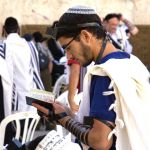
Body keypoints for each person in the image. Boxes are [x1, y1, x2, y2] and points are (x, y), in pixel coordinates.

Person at [32, 6, 150, 150]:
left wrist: (63, 119)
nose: (68, 56)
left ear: (86, 36)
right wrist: (65, 113)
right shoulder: (131, 61)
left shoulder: (105, 73)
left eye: (68, 48)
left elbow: (100, 142)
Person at [2, 17, 44, 112]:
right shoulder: (30, 46)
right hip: (31, 105)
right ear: (18, 29)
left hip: (10, 106)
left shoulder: (3, 48)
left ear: (4, 29)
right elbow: (36, 75)